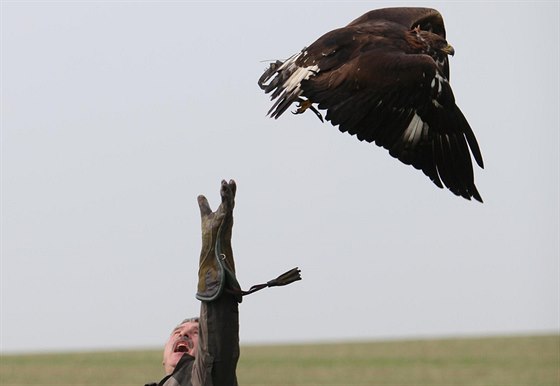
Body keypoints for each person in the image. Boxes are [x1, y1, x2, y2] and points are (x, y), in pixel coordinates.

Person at [147, 180, 301, 386]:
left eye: (195, 333)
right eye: (178, 332)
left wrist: (215, 253)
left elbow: (215, 348)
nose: (183, 334)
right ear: (163, 356)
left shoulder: (204, 377)